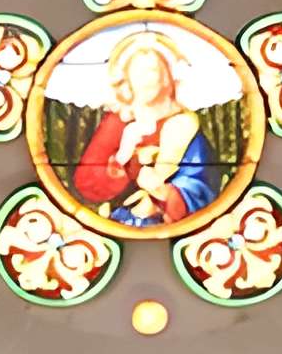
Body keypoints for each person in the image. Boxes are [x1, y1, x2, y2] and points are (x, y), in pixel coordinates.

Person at [68, 32, 218, 229]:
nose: (145, 80)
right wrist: (122, 156)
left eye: (152, 71)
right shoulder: (116, 123)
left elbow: (202, 183)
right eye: (138, 72)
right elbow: (86, 184)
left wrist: (164, 194)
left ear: (167, 78)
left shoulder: (183, 125)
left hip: (171, 225)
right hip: (117, 223)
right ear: (127, 80)